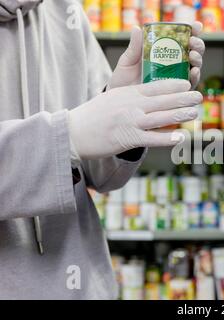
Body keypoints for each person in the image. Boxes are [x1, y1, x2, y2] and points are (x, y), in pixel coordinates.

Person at [0, 0, 205, 299]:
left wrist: (127, 117)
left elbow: (102, 177)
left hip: (83, 287)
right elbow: (74, 136)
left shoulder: (64, 9)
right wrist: (67, 136)